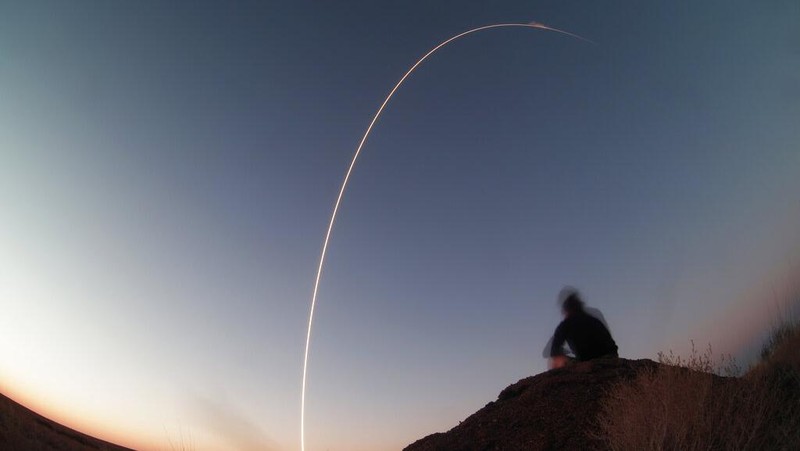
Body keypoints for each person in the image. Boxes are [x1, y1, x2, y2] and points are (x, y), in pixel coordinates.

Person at [548, 287, 618, 369]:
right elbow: (612, 346)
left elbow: (554, 351)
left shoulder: (566, 324)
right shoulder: (593, 320)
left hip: (589, 363)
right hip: (608, 360)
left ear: (566, 309)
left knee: (556, 362)